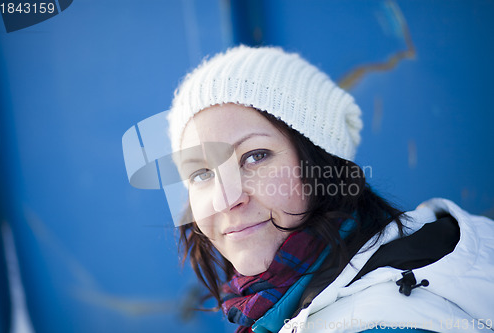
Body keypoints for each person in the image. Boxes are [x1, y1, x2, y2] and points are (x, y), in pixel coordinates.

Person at [126, 45, 494, 332]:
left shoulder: (382, 321)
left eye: (255, 156)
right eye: (201, 173)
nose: (226, 199)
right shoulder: (282, 302)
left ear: (323, 164)